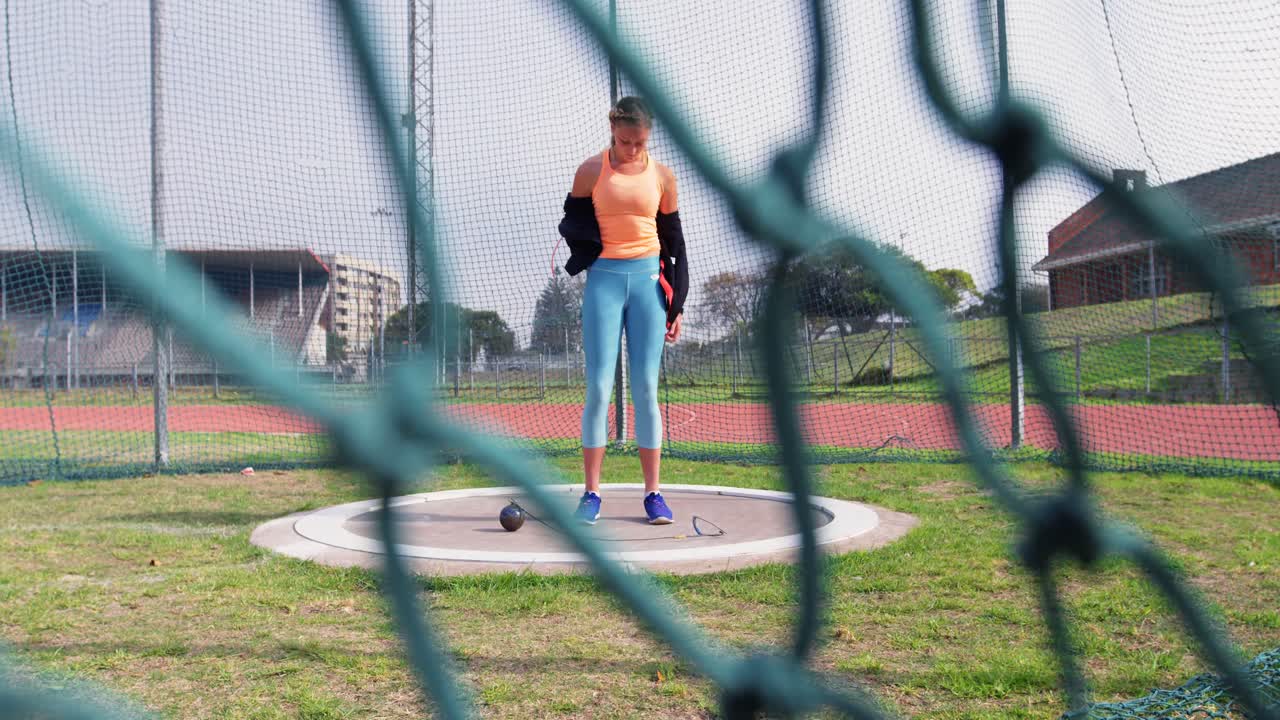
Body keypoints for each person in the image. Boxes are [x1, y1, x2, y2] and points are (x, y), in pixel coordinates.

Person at [557, 96, 689, 525]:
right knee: (598, 388)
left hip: (649, 281)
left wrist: (677, 303)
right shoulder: (590, 171)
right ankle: (591, 494)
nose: (633, 149)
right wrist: (586, 256)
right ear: (613, 127)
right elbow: (573, 222)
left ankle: (654, 495)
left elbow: (675, 240)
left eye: (640, 142)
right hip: (605, 283)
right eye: (626, 140)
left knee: (646, 389)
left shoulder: (664, 176)